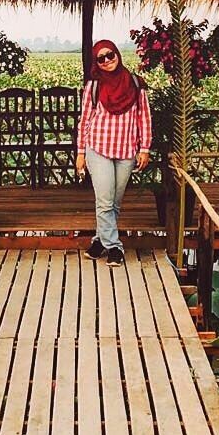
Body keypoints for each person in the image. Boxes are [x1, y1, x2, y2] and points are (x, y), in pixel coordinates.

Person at [75, 38, 152, 266]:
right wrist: (81, 152)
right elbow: (84, 121)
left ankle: (99, 242)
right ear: (96, 62)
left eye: (111, 55)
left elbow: (144, 118)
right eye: (101, 58)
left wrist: (145, 148)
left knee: (114, 204)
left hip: (126, 150)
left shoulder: (135, 84)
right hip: (98, 148)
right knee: (105, 202)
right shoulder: (93, 87)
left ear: (118, 54)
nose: (107, 60)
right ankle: (115, 248)